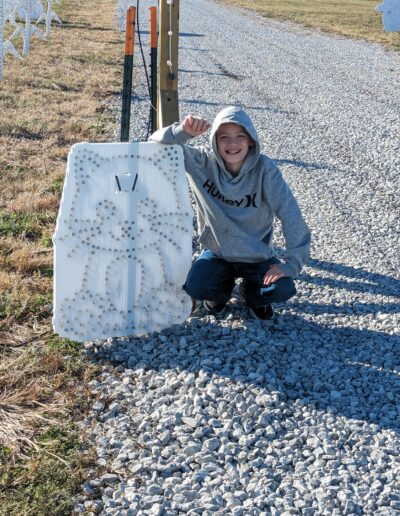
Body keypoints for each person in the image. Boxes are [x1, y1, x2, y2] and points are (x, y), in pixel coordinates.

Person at [149, 106, 311, 320]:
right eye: (224, 137)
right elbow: (155, 145)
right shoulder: (201, 162)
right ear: (214, 140)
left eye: (240, 136)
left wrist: (291, 263)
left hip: (256, 256)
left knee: (281, 288)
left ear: (251, 140)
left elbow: (290, 213)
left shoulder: (265, 169)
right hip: (218, 254)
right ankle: (218, 295)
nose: (232, 144)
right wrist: (183, 131)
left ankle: (252, 294)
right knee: (196, 286)